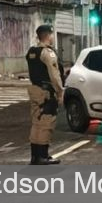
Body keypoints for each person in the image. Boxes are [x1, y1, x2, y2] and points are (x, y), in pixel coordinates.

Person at [25, 25, 64, 165]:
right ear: (48, 35)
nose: (53, 37)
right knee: (46, 123)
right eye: (52, 35)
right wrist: (60, 92)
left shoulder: (31, 52)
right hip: (46, 92)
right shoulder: (47, 53)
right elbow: (55, 76)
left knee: (36, 123)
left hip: (34, 89)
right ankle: (43, 156)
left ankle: (34, 156)